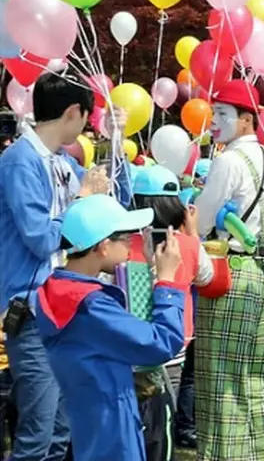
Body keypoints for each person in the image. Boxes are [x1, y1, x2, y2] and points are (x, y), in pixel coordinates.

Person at [0, 73, 130, 461]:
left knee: (61, 430)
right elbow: (40, 238)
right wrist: (82, 198)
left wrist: (116, 141)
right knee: (37, 435)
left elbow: (111, 205)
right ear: (72, 112)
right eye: (87, 119)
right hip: (35, 312)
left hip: (64, 308)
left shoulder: (58, 162)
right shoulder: (20, 160)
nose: (87, 126)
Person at [35, 194, 186, 461]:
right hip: (113, 434)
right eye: (126, 237)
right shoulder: (91, 307)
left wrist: (152, 272)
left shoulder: (59, 291)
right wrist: (167, 282)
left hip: (90, 426)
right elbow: (160, 343)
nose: (132, 243)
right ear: (104, 246)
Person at [195, 79, 264, 460]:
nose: (214, 121)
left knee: (222, 378)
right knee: (260, 378)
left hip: (230, 270)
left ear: (247, 120)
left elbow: (199, 223)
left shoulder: (228, 160)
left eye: (222, 114)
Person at [129, 165, 227, 458]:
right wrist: (193, 232)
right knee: (163, 417)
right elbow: (209, 278)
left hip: (129, 344)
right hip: (173, 342)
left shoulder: (120, 243)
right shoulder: (186, 244)